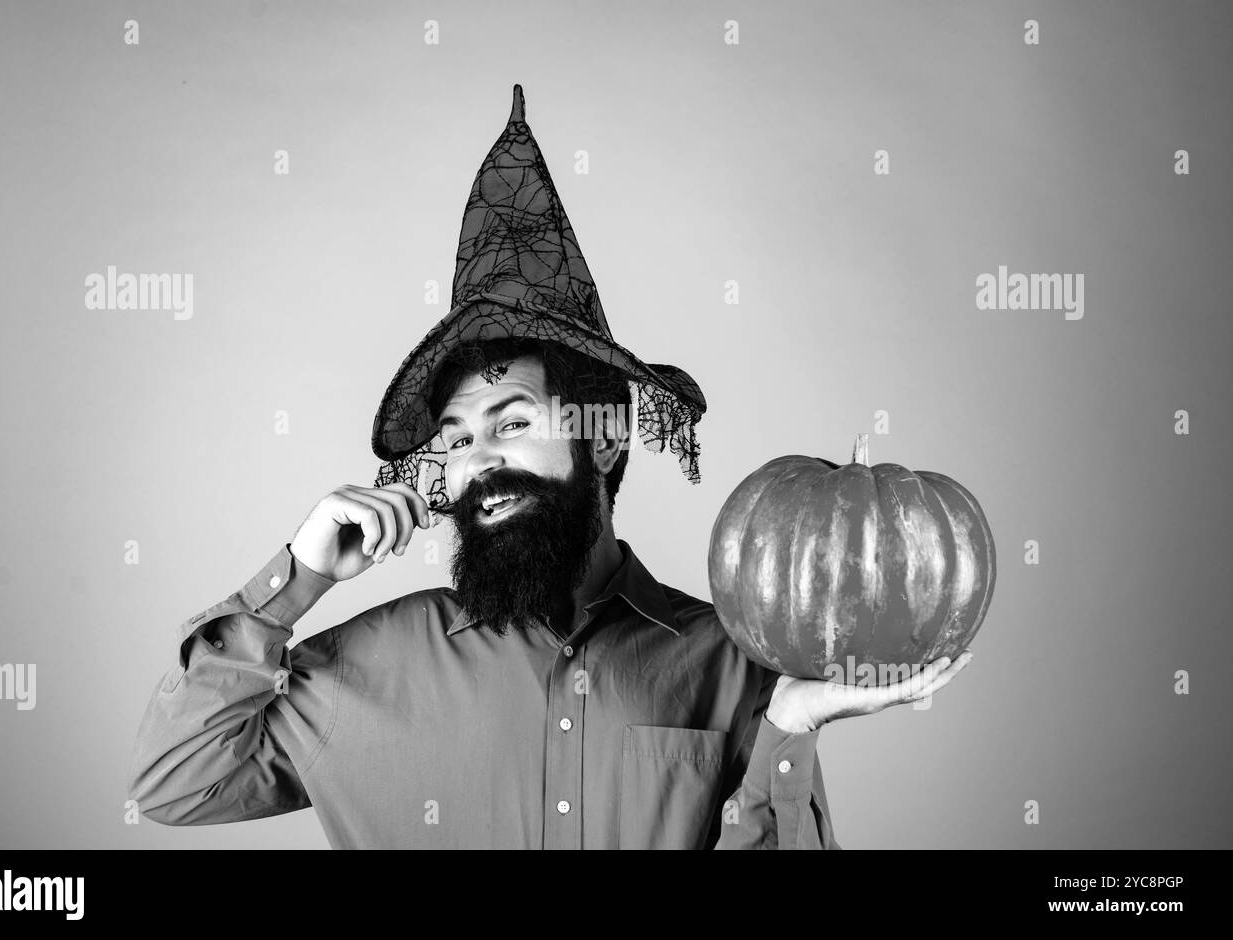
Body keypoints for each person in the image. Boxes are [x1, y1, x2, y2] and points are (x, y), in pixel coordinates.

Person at [128, 86, 970, 850]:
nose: (478, 461)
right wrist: (298, 584)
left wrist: (788, 728)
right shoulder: (368, 666)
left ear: (604, 438)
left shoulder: (730, 661)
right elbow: (175, 781)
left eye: (514, 422)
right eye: (456, 437)